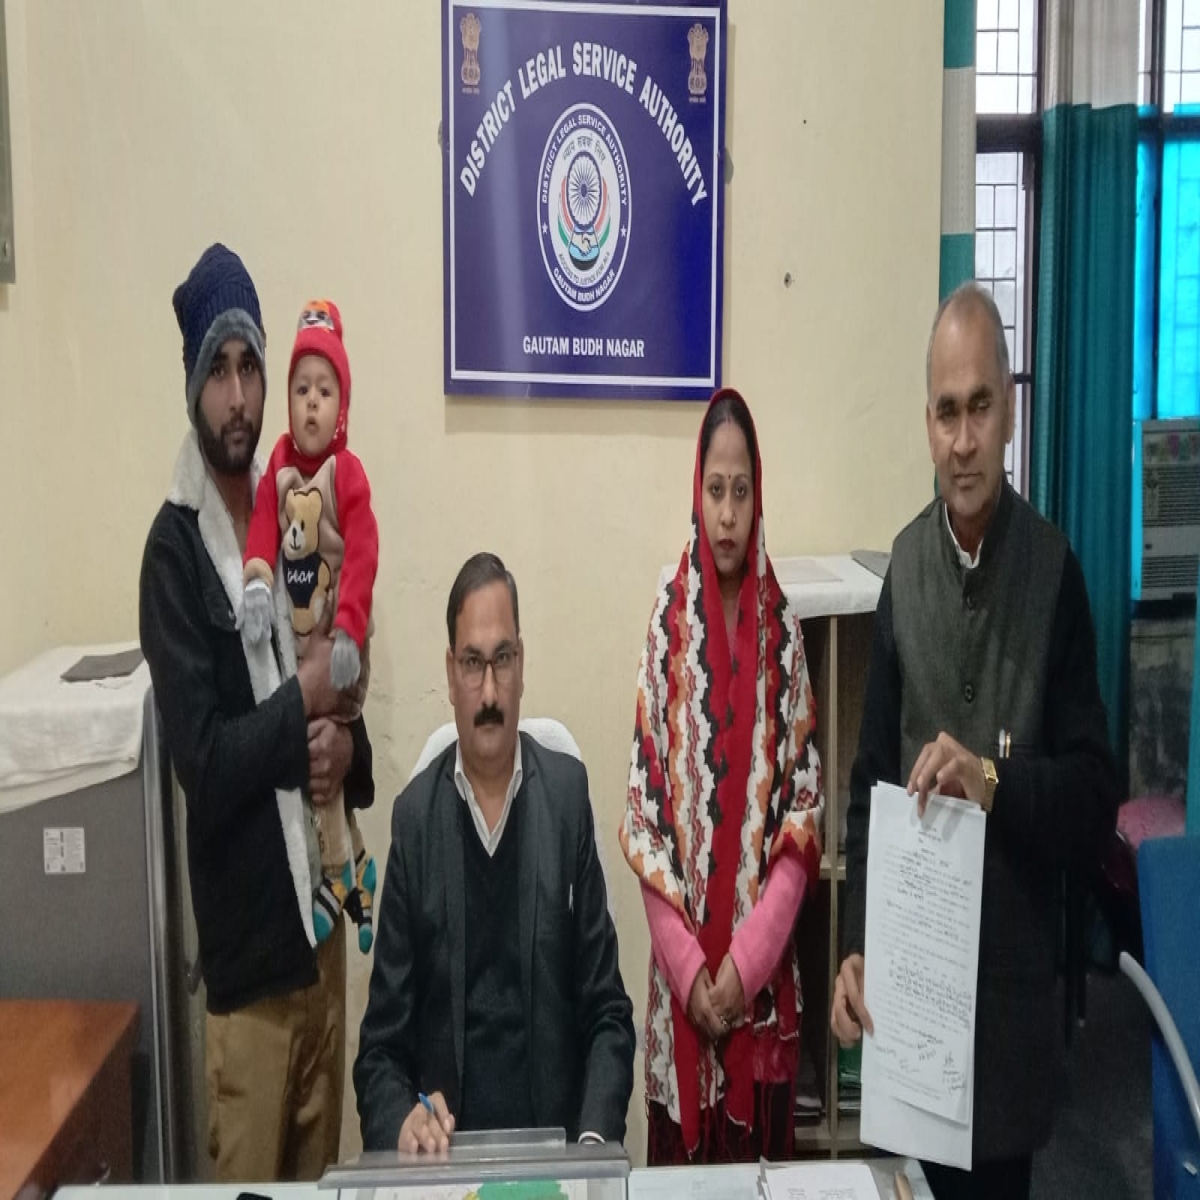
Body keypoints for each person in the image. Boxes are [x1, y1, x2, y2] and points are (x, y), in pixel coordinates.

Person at [830, 282, 1118, 1200]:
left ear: (1010, 413)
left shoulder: (1055, 573)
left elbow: (1095, 799)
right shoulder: (906, 569)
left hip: (1007, 1031)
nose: (963, 440)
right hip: (910, 1023)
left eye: (980, 408)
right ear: (927, 425)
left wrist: (995, 782)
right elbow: (869, 786)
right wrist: (852, 947)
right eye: (947, 412)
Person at [139, 243, 375, 1182]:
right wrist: (301, 704)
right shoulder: (174, 555)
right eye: (218, 373)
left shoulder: (298, 506)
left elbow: (340, 682)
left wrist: (344, 746)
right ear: (192, 387)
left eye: (250, 368)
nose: (239, 398)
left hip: (324, 950)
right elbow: (204, 763)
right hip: (249, 985)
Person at [354, 552, 636, 1153]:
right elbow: (379, 1053)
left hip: (556, 1155)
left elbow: (608, 1016)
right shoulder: (415, 823)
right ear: (450, 672)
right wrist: (402, 1120)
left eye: (502, 660)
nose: (488, 690)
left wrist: (591, 1145)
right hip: (448, 1165)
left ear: (521, 665)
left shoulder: (566, 800)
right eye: (472, 663)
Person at [620, 388, 825, 1164]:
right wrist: (692, 973)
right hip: (680, 1006)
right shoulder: (665, 626)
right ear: (696, 493)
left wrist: (742, 969)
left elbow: (801, 822)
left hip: (761, 1004)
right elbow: (644, 821)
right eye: (716, 490)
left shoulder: (785, 637)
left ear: (757, 494)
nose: (729, 513)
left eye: (742, 491)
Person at [243, 298, 379, 952]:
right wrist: (255, 579)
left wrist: (349, 629)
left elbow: (365, 551)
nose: (312, 403)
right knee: (316, 755)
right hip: (301, 648)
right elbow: (263, 528)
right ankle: (356, 866)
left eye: (325, 391)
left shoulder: (344, 471)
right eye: (301, 390)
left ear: (341, 406)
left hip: (342, 642)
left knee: (324, 744)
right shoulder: (278, 465)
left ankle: (334, 878)